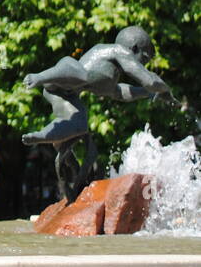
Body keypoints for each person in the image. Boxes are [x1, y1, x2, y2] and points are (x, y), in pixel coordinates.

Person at [22, 26, 170, 200]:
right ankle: (40, 85)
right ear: (135, 48)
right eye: (144, 57)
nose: (143, 64)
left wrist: (147, 93)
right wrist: (165, 90)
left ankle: (46, 142)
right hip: (63, 74)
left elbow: (118, 92)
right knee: (80, 77)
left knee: (79, 130)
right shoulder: (118, 51)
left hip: (61, 93)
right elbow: (148, 79)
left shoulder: (109, 72)